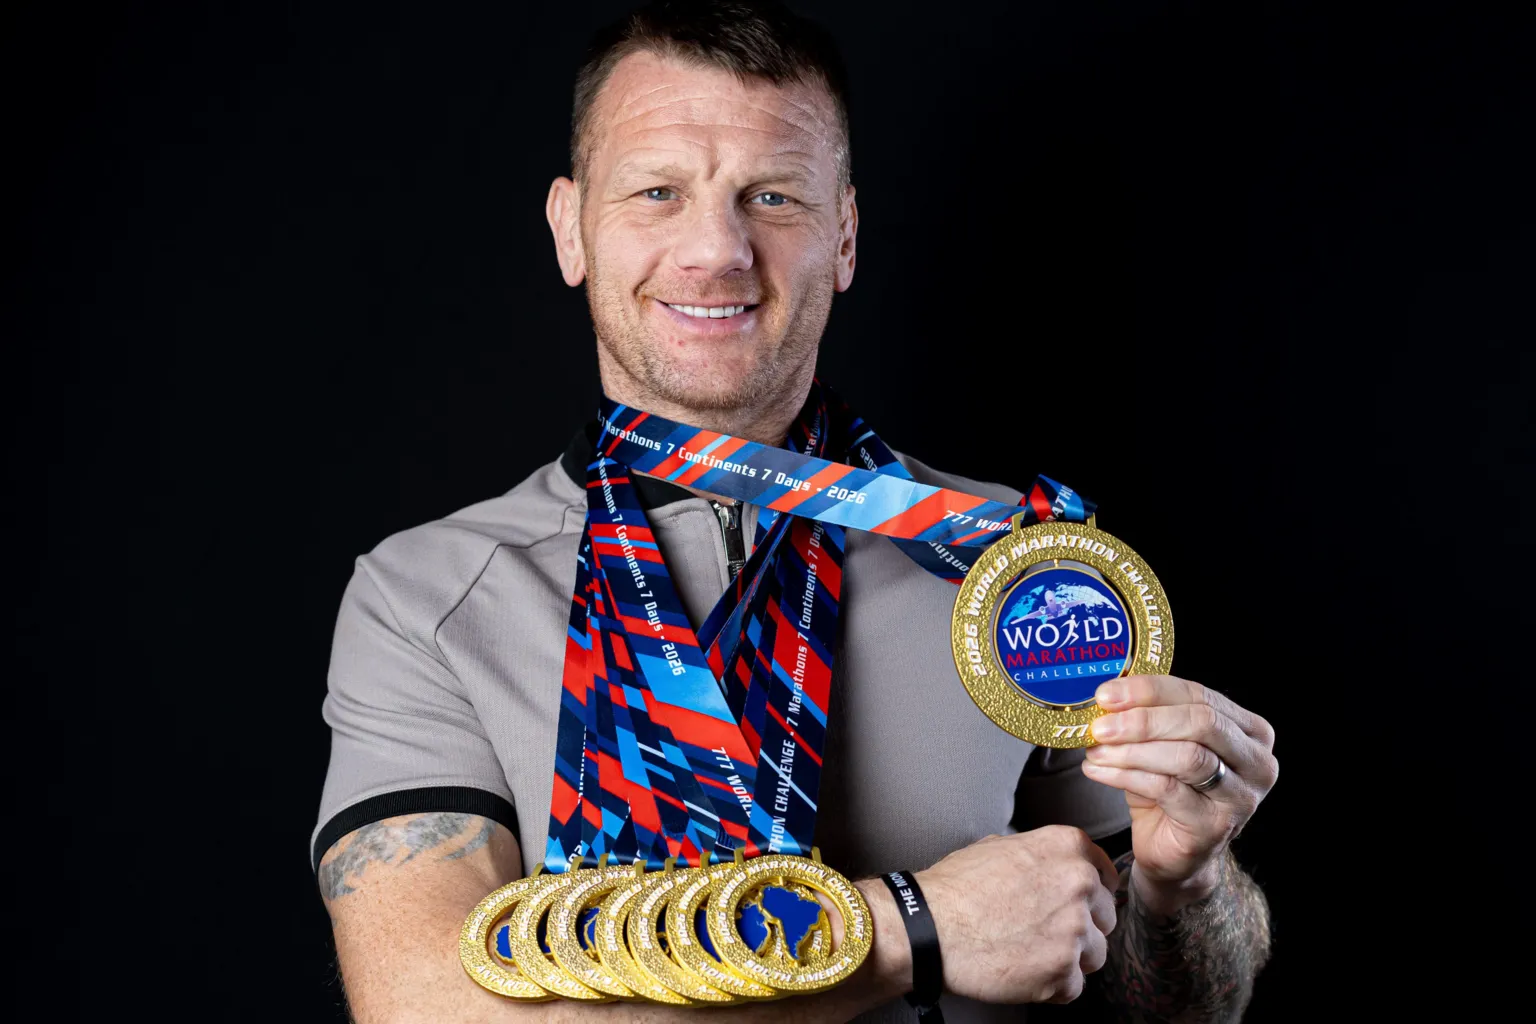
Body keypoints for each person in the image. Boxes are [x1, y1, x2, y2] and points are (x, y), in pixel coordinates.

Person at [311, 3, 1277, 1022]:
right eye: (658, 191)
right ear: (571, 228)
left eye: (771, 197)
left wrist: (1188, 883)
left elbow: (1182, 1008)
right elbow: (422, 1006)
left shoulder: (1018, 569)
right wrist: (913, 927)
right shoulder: (427, 599)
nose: (717, 250)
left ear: (846, 235)